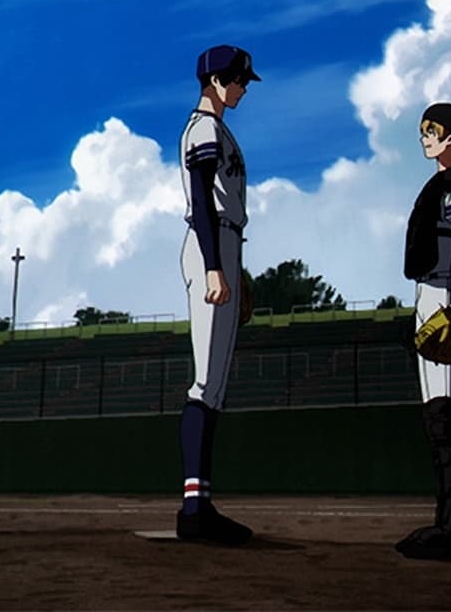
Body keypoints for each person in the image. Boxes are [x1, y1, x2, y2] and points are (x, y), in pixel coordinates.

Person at [174, 44, 261, 544]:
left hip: (227, 245)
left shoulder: (219, 129)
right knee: (205, 384)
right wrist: (213, 267)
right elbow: (204, 206)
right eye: (239, 79)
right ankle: (193, 510)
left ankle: (200, 504)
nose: (244, 87)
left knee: (215, 387)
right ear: (215, 81)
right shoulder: (203, 129)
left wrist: (234, 267)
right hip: (211, 242)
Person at [395, 101, 451, 560]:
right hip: (427, 294)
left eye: (433, 130)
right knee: (436, 416)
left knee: (446, 415)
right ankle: (444, 525)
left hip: (443, 295)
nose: (425, 137)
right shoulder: (438, 183)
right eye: (424, 129)